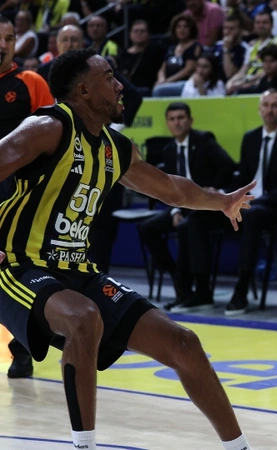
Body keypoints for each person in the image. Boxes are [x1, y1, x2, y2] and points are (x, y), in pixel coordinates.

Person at [0, 47, 255, 450]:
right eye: (109, 78)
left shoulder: (114, 148)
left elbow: (171, 189)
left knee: (184, 343)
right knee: (84, 319)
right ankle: (84, 446)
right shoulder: (48, 127)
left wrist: (221, 201)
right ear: (83, 91)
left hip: (78, 271)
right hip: (17, 265)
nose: (120, 86)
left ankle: (239, 448)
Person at [185, 89, 277, 316]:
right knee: (198, 216)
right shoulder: (250, 138)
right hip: (249, 205)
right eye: (266, 105)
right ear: (259, 109)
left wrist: (249, 201)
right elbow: (241, 178)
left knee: (251, 214)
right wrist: (222, 194)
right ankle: (201, 291)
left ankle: (241, 290)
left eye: (275, 106)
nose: (270, 110)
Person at [139, 101, 236, 311]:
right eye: (172, 119)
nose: (177, 123)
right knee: (147, 228)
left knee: (189, 225)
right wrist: (174, 210)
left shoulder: (204, 140)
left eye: (181, 118)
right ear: (167, 123)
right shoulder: (168, 149)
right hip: (182, 205)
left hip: (208, 204)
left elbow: (228, 166)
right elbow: (168, 186)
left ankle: (202, 292)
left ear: (190, 120)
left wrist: (215, 189)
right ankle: (178, 279)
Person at [0, 15, 54, 380]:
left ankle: (21, 351)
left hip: (16, 194)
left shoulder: (30, 82)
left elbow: (52, 138)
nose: (3, 44)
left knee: (14, 270)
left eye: (9, 38)